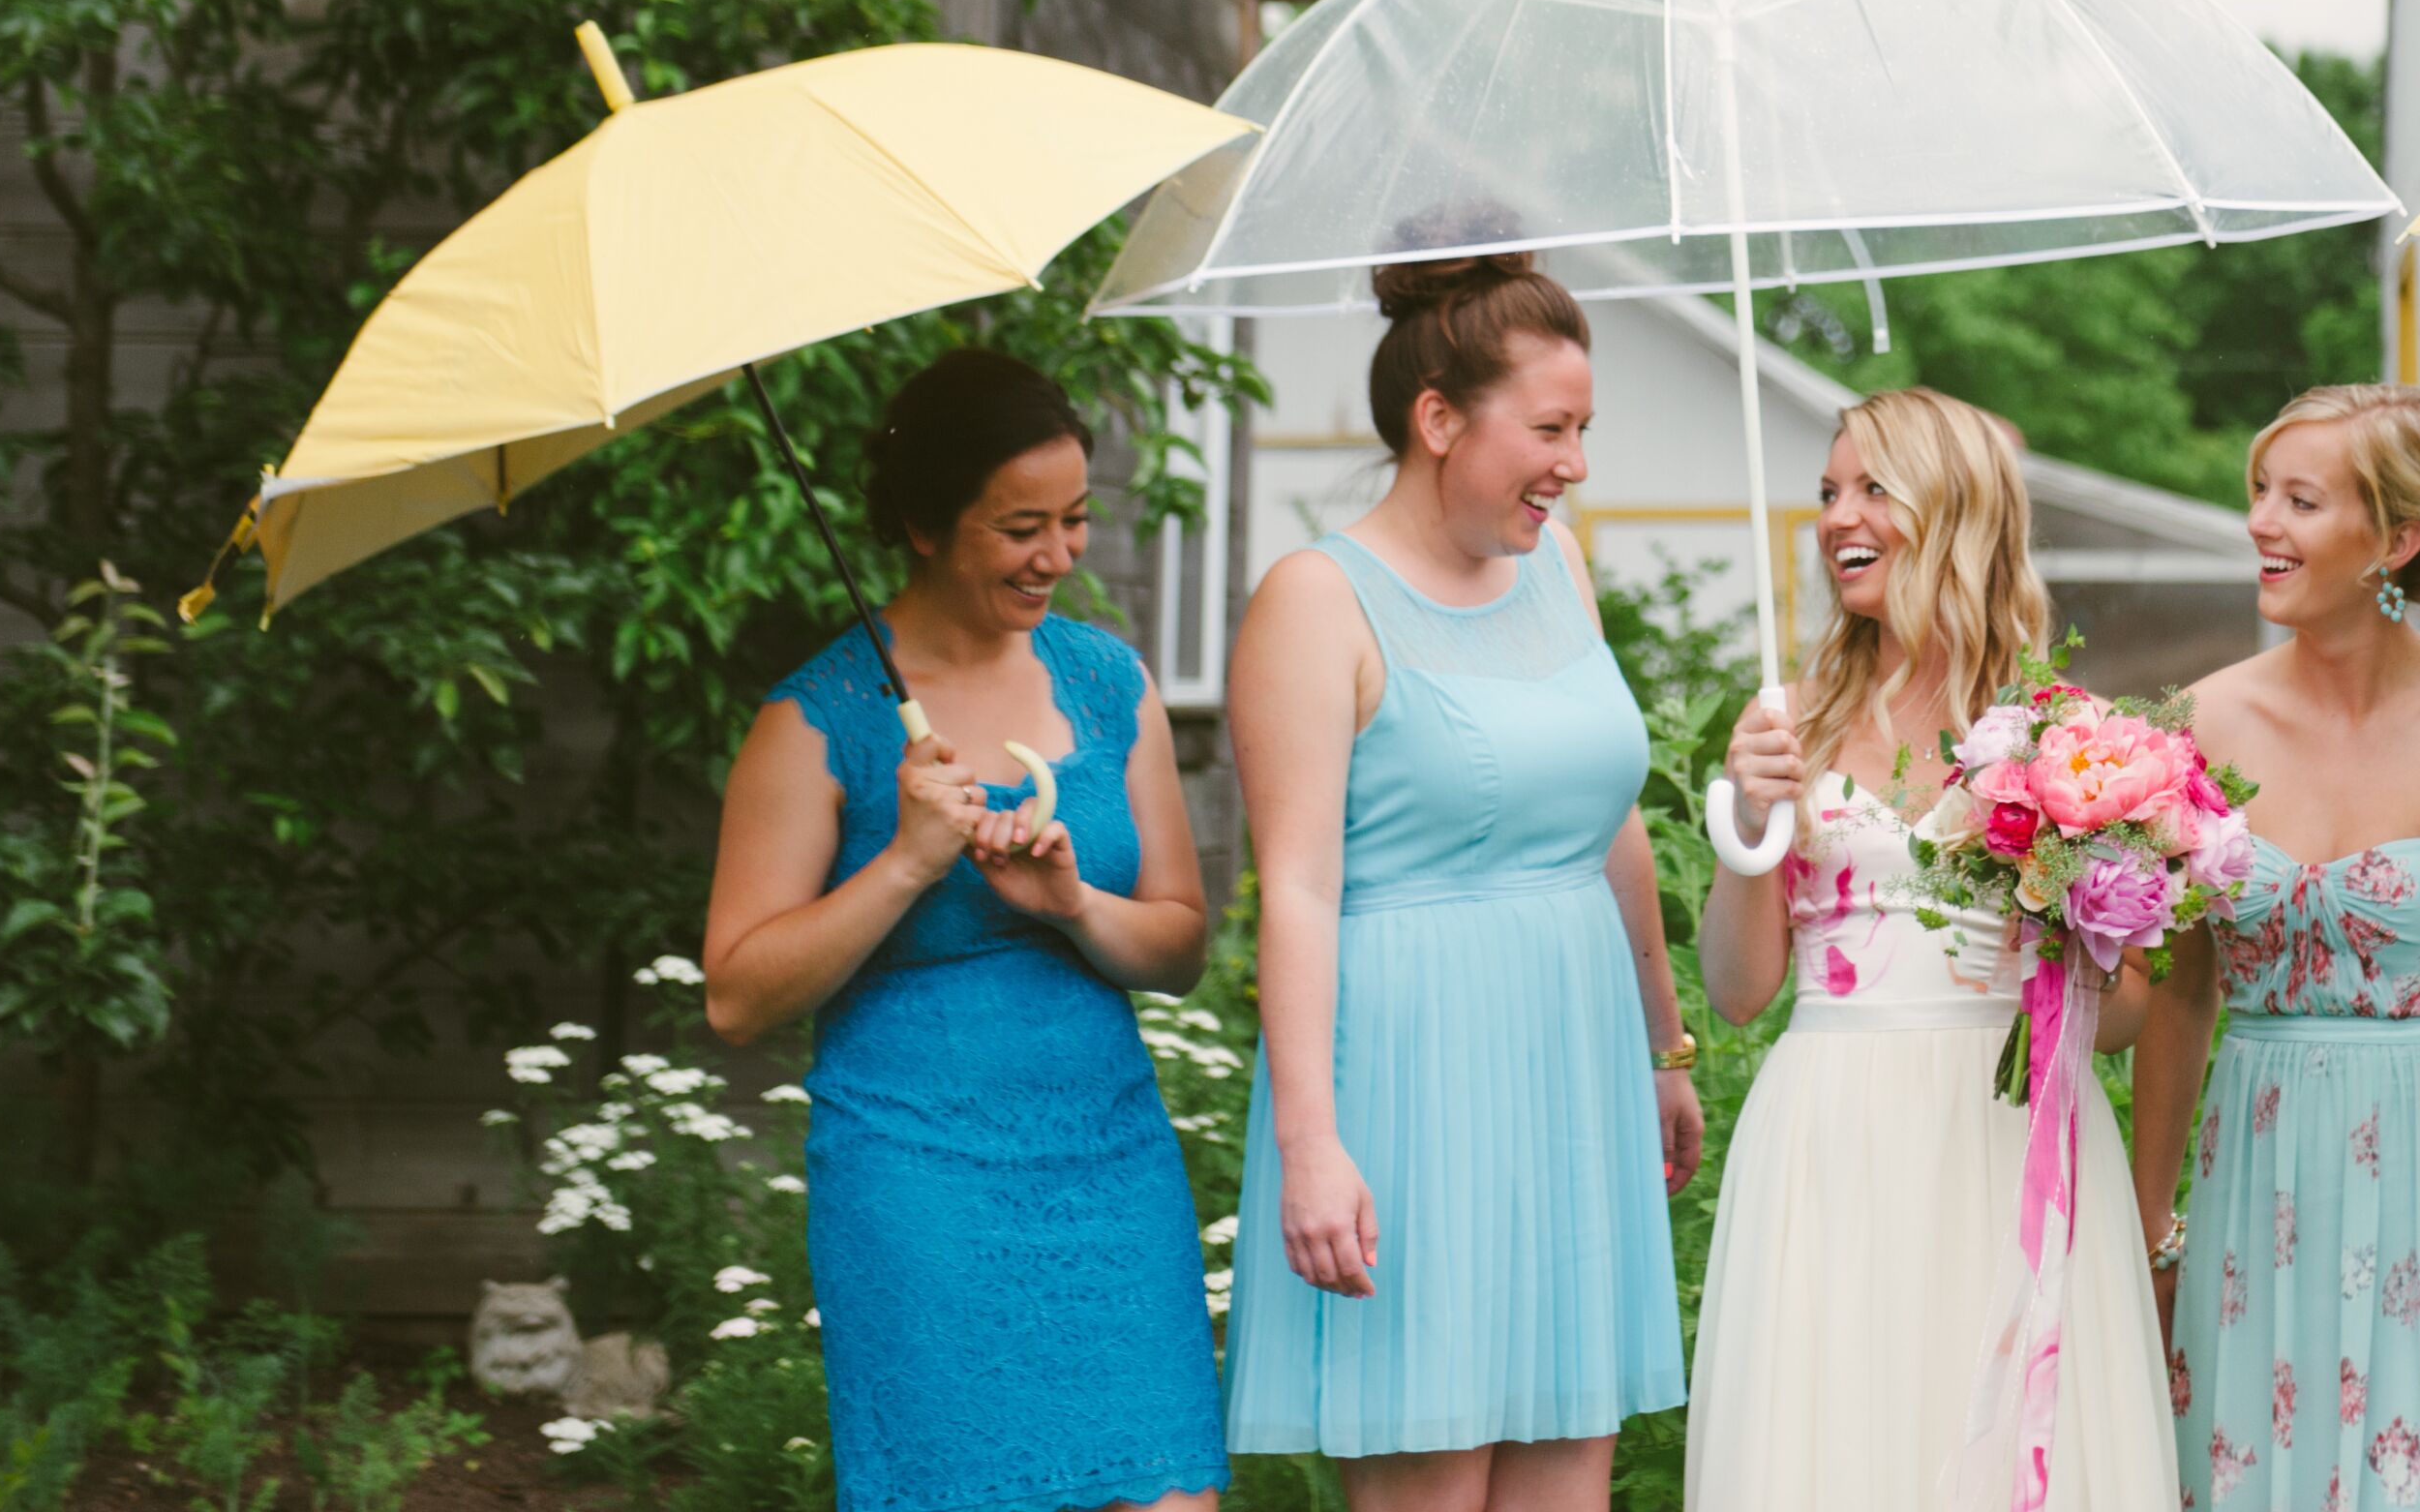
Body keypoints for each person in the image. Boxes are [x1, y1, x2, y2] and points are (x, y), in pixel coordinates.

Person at [703, 348, 1225, 1512]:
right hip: (916, 1184)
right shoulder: (812, 722)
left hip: (1110, 1164)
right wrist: (905, 863)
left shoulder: (1108, 682)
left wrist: (1078, 906)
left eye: (1075, 520)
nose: (1057, 556)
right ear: (927, 527)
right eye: (1019, 527)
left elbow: (1182, 947)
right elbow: (737, 995)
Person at [1218, 251, 1697, 1510]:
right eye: (1549, 428)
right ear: (1439, 420)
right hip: (1411, 1087)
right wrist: (1312, 1144)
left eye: (1584, 428)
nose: (1576, 461)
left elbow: (1611, 824)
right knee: (1431, 1478)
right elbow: (1300, 889)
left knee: (1566, 1475)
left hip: (1575, 1069)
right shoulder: (1317, 602)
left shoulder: (1561, 568)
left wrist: (1663, 1048)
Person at [1687, 388, 2170, 1511]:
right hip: (1830, 1125)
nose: (1835, 517)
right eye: (1825, 492)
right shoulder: (1784, 722)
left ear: (1950, 510)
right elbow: (1740, 988)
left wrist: (2069, 921)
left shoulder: (2064, 733)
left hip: (2004, 1132)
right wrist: (1746, 827)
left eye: (1870, 489)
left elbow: (2133, 1010)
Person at [2131, 384, 2420, 1512]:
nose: (2259, 524)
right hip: (2252, 1167)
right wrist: (2146, 1227)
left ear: (2397, 537)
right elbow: (2180, 998)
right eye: (2258, 495)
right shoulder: (2197, 725)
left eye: (2299, 500)